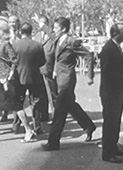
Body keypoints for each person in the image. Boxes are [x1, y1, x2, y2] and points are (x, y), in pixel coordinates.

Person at [42, 17, 96, 151]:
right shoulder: (57, 38)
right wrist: (42, 25)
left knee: (59, 111)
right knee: (70, 105)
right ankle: (88, 125)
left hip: (67, 79)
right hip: (57, 76)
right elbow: (50, 33)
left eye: (56, 28)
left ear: (64, 29)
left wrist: (89, 76)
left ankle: (53, 143)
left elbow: (89, 55)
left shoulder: (72, 42)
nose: (54, 30)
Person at [0, 22, 36, 143]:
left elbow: (14, 61)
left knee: (16, 106)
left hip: (8, 81)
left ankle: (29, 130)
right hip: (1, 79)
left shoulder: (6, 45)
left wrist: (8, 77)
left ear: (0, 33)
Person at [98, 25, 123, 164]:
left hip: (117, 90)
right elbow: (107, 72)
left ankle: (113, 146)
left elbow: (119, 66)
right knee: (110, 121)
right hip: (110, 91)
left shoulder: (116, 47)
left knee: (116, 119)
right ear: (115, 34)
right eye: (122, 33)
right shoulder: (108, 49)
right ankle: (107, 152)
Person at [13, 23, 46, 134]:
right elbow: (43, 61)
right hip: (34, 77)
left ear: (20, 32)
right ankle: (37, 126)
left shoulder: (15, 46)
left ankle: (16, 125)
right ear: (31, 32)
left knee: (18, 102)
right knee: (35, 103)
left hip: (19, 77)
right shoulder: (37, 45)